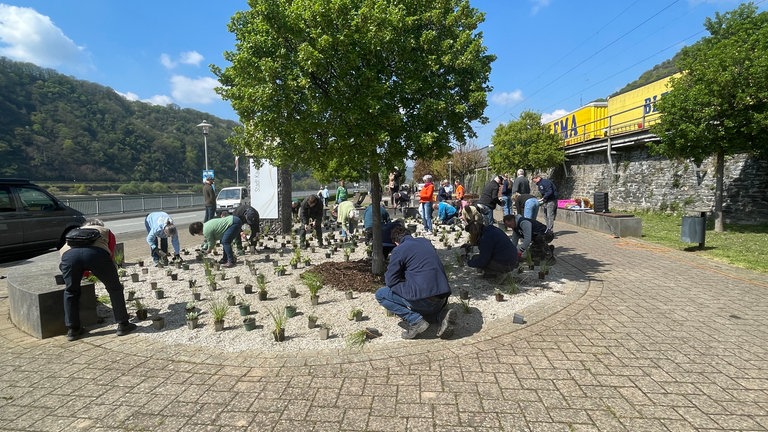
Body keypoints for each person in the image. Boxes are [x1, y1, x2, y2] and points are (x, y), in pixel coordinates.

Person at [59, 218, 136, 340]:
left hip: (69, 257)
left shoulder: (75, 232)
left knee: (70, 291)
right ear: (100, 225)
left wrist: (83, 273)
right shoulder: (106, 231)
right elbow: (109, 253)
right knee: (114, 289)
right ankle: (123, 324)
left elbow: (64, 257)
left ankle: (73, 329)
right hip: (97, 255)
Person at [375, 224, 456, 339]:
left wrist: (404, 285)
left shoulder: (399, 250)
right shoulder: (425, 242)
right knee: (425, 297)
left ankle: (416, 321)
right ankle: (440, 316)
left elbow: (391, 280)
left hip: (425, 300)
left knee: (381, 294)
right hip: (442, 297)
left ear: (396, 242)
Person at [461, 206, 518, 278]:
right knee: (478, 258)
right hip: (513, 259)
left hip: (506, 264)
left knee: (476, 259)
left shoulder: (485, 238)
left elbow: (483, 260)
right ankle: (495, 272)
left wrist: (468, 262)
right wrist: (472, 244)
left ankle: (497, 273)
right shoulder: (490, 230)